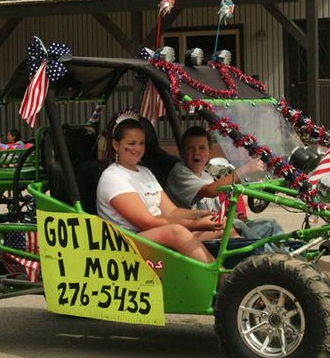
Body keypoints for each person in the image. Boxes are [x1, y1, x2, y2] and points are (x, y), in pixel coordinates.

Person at [96, 111, 221, 264]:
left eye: (141, 143)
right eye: (131, 143)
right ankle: (224, 281)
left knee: (224, 227)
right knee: (176, 231)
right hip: (125, 242)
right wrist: (195, 224)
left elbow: (172, 211)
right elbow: (147, 222)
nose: (138, 149)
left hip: (152, 234)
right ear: (116, 144)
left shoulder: (145, 172)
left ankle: (242, 274)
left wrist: (201, 214)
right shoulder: (113, 177)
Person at [166, 126, 283, 241]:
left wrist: (230, 215)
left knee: (270, 225)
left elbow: (215, 209)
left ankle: (288, 253)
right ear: (182, 152)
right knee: (238, 228)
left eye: (202, 148)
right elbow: (210, 191)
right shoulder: (180, 173)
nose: (196, 152)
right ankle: (270, 256)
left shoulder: (206, 175)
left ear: (210, 152)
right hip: (194, 232)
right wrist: (245, 169)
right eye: (190, 148)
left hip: (214, 226)